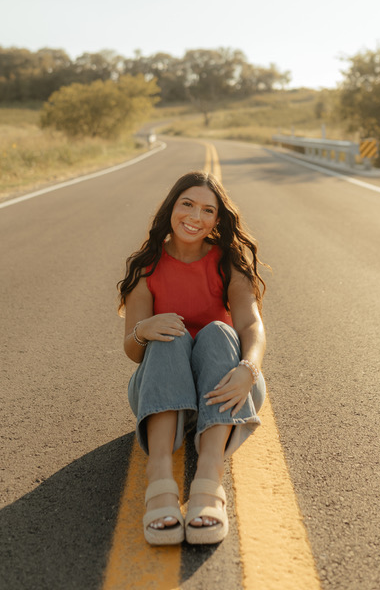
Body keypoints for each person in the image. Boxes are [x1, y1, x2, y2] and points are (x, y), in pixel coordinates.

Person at [117, 171, 267, 546]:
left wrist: (249, 369)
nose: (194, 217)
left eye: (207, 210)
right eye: (187, 204)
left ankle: (209, 476)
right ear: (172, 207)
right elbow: (133, 351)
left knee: (220, 331)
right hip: (160, 392)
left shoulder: (228, 262)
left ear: (217, 221)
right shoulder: (146, 265)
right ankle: (160, 472)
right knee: (169, 333)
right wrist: (144, 330)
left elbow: (251, 325)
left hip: (230, 388)